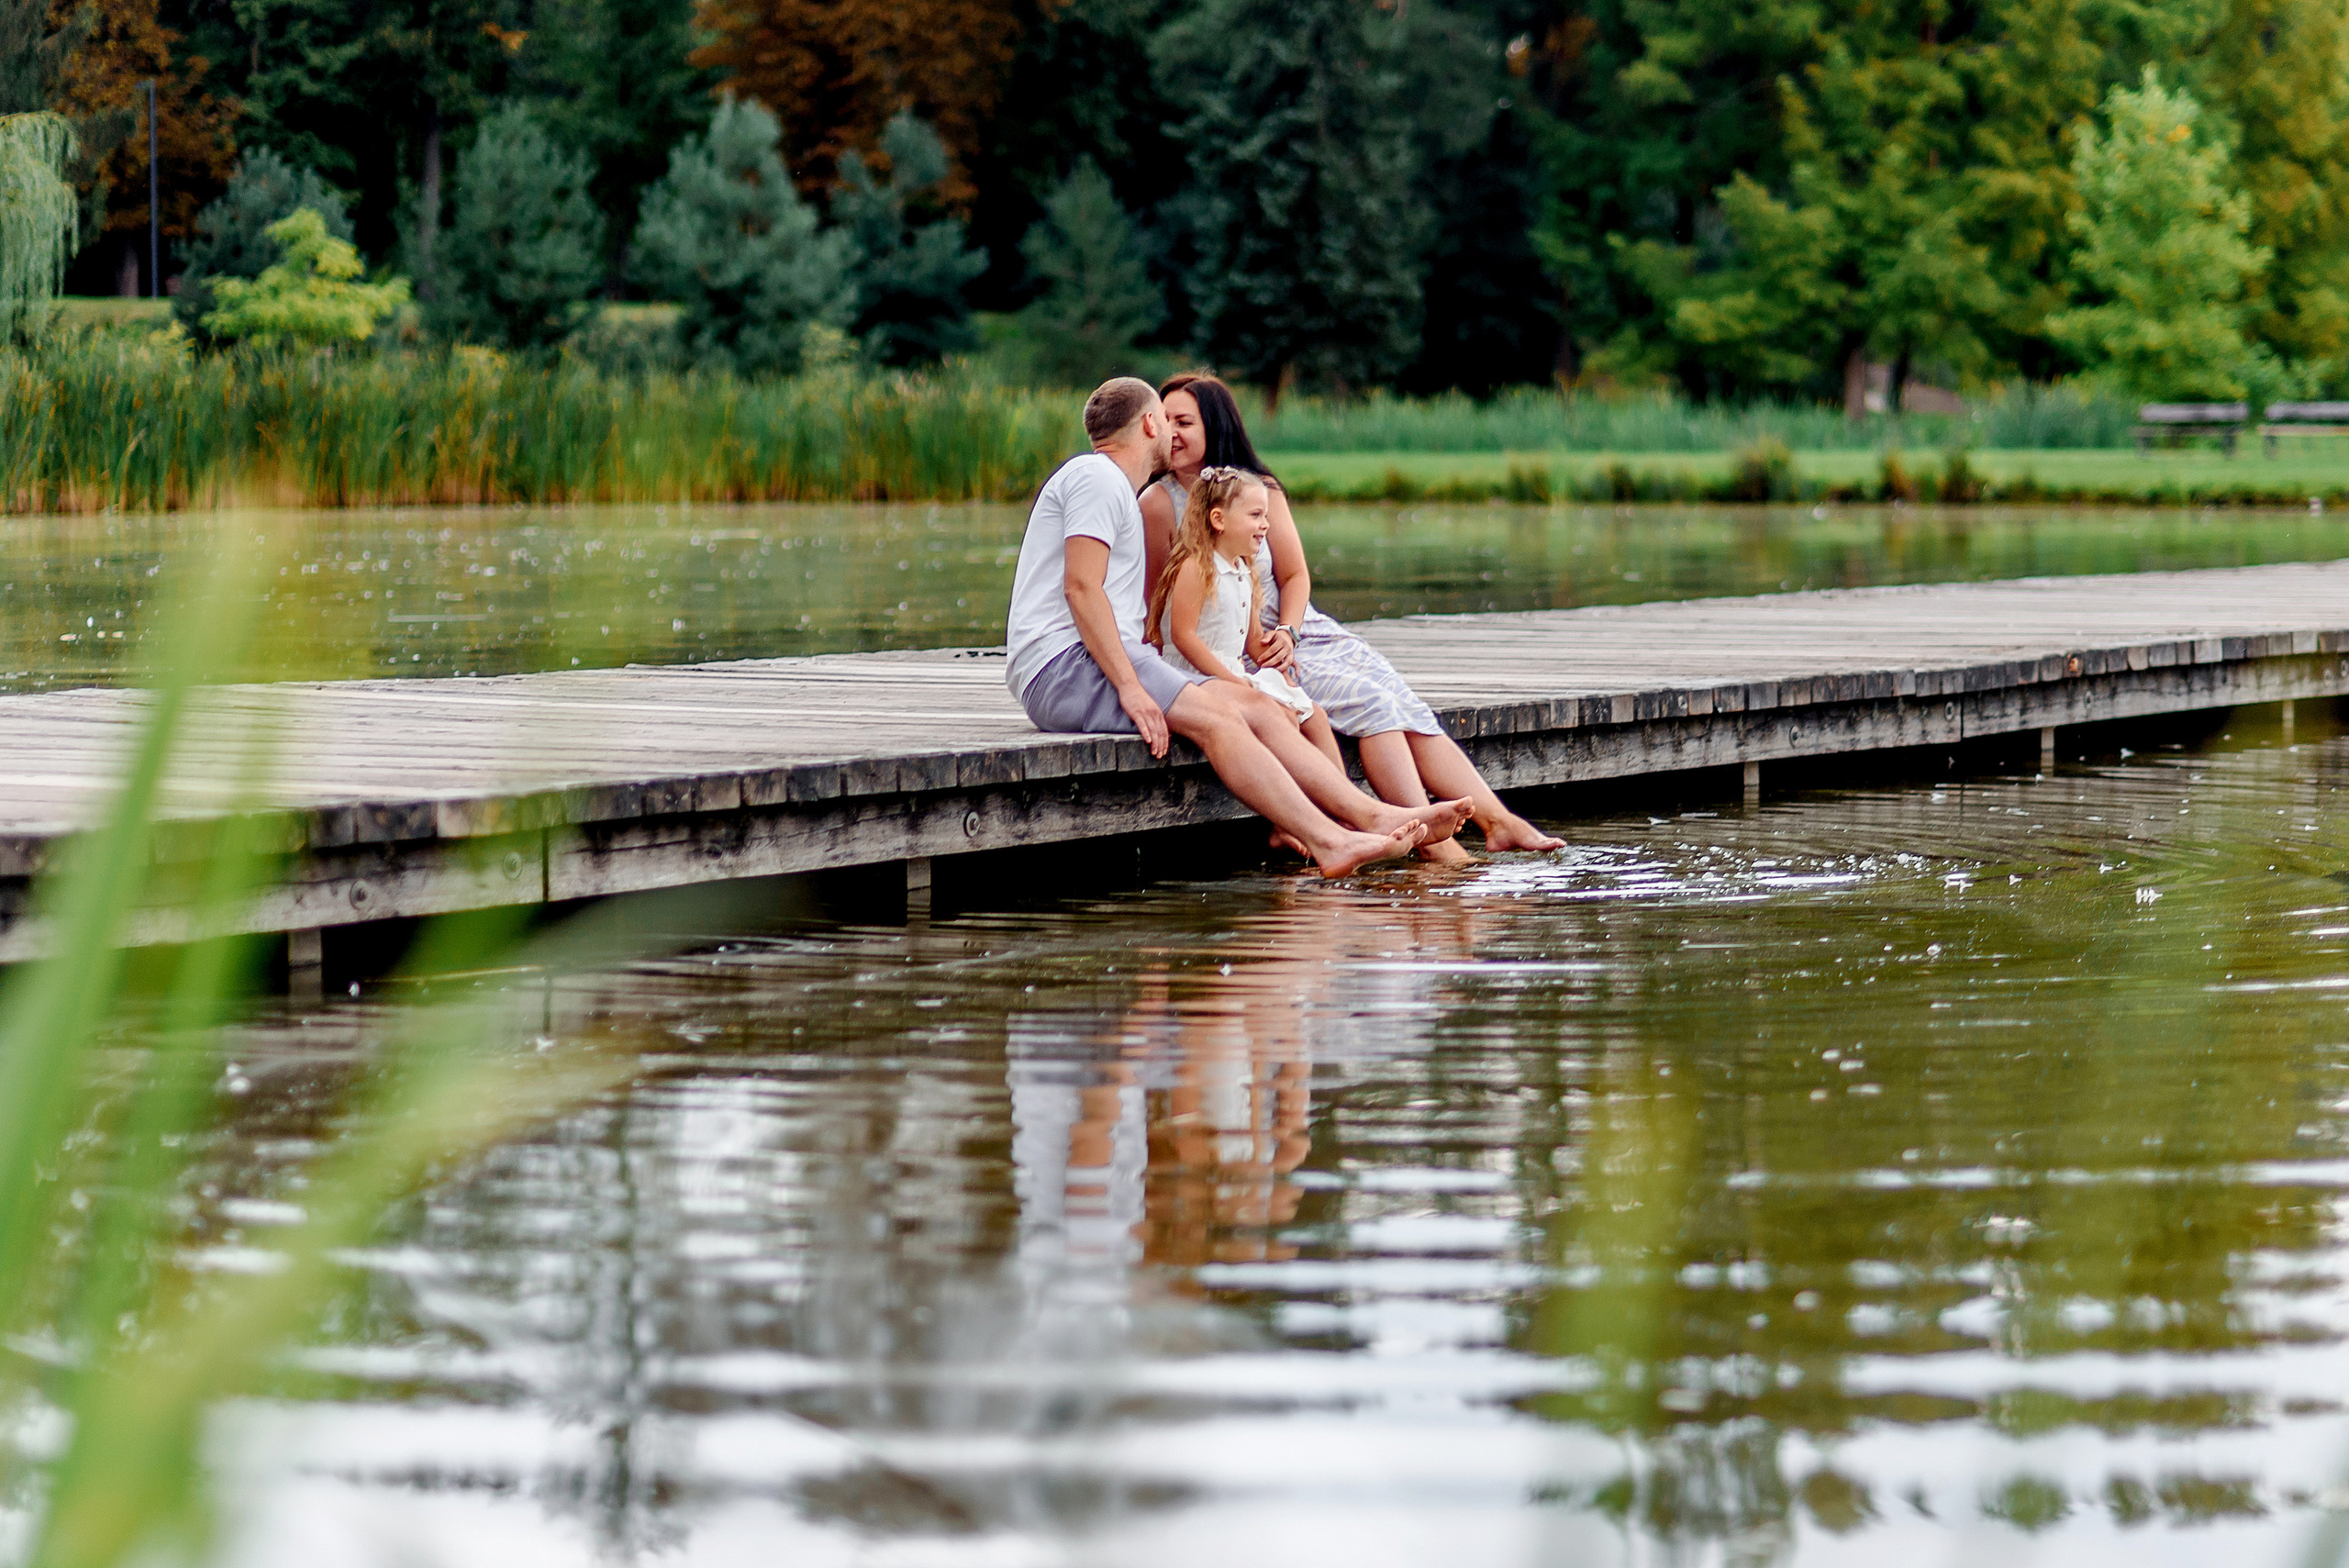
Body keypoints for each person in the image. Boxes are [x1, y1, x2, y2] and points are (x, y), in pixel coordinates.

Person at [1005, 377, 1473, 878]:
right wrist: (1130, 688)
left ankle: (1367, 816)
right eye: (1166, 420)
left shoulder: (1111, 484)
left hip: (1100, 658)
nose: (1172, 432)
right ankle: (1331, 839)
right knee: (1219, 720)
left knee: (1257, 705)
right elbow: (1081, 588)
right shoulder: (1097, 478)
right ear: (1149, 424)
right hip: (1064, 666)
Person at [1141, 373, 1564, 863]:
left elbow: (1295, 575)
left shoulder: (1260, 491)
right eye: (1164, 420)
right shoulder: (1158, 503)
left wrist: (1290, 632)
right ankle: (1437, 847)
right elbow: (1159, 600)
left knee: (1398, 700)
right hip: (1236, 648)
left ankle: (1498, 819)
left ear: (1214, 425)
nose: (1171, 431)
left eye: (1184, 421)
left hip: (1291, 629)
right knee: (1372, 705)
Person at [1144, 464, 1346, 771]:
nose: (1266, 524)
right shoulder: (1197, 567)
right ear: (1218, 519)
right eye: (1255, 515)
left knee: (1314, 715)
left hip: (1231, 673)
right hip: (1193, 677)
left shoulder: (1243, 569)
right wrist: (1232, 681)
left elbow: (1252, 642)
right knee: (1283, 717)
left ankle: (1343, 805)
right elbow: (1182, 637)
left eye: (1265, 515)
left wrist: (1279, 657)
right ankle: (1289, 812)